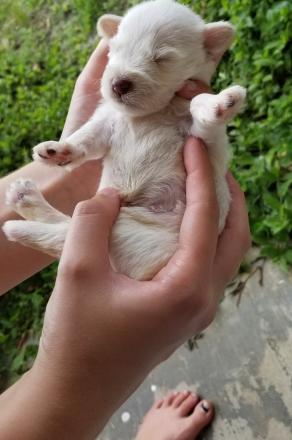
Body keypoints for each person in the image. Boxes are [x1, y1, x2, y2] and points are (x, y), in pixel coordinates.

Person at [0, 40, 251, 439]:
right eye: (120, 52)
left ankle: (53, 226)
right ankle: (54, 229)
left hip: (154, 225)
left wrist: (207, 108)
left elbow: (201, 127)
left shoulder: (181, 94)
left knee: (111, 228)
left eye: (161, 59)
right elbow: (96, 133)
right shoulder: (117, 105)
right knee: (111, 231)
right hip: (143, 223)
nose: (121, 75)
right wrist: (75, 149)